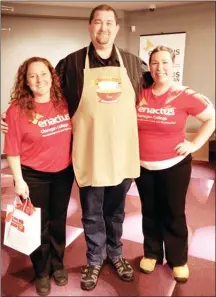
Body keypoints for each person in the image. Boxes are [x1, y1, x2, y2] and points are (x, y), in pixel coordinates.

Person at [1, 4, 150, 291]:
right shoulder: (70, 65)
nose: (103, 28)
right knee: (91, 213)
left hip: (121, 155)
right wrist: (10, 118)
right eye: (98, 22)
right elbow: (45, 98)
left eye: (109, 23)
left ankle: (116, 254)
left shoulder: (134, 64)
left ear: (117, 28)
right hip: (89, 155)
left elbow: (153, 95)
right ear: (89, 27)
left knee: (116, 212)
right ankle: (95, 259)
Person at [135, 45, 215, 282]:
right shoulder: (141, 93)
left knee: (173, 213)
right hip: (143, 166)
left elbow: (211, 118)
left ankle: (178, 259)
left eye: (165, 62)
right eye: (155, 63)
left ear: (173, 66)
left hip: (174, 166)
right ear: (150, 67)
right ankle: (151, 253)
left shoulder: (186, 95)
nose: (160, 68)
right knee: (149, 211)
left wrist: (194, 144)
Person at [3, 57, 74, 296]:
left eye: (43, 74)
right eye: (32, 75)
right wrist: (19, 180)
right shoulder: (17, 109)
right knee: (39, 226)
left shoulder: (64, 102)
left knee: (58, 220)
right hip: (33, 176)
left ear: (52, 76)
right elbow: (11, 148)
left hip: (63, 173)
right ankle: (42, 270)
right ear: (25, 81)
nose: (39, 80)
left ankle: (58, 264)